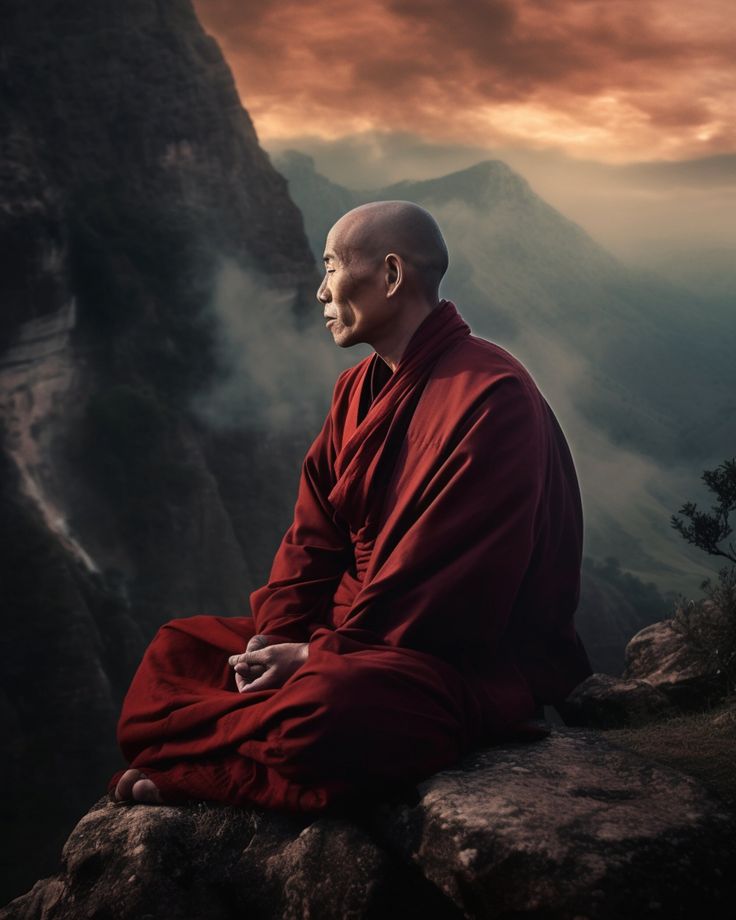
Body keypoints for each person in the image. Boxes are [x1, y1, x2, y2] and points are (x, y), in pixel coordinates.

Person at [109, 200, 593, 811]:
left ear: (391, 277)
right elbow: (311, 539)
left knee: (331, 709)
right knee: (175, 651)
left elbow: (454, 595)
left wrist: (314, 658)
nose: (319, 290)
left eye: (332, 265)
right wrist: (274, 639)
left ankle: (212, 770)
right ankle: (261, 726)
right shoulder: (355, 390)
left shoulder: (490, 398)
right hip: (340, 637)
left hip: (442, 659)